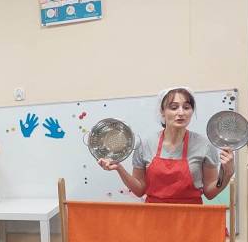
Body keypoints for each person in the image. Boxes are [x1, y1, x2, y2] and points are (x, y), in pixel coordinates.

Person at [98, 87, 234, 204]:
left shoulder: (204, 145)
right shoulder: (145, 145)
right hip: (154, 218)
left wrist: (227, 174)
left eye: (186, 107)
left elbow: (210, 193)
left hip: (191, 218)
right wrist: (119, 168)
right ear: (162, 111)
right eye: (174, 107)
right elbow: (139, 190)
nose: (181, 113)